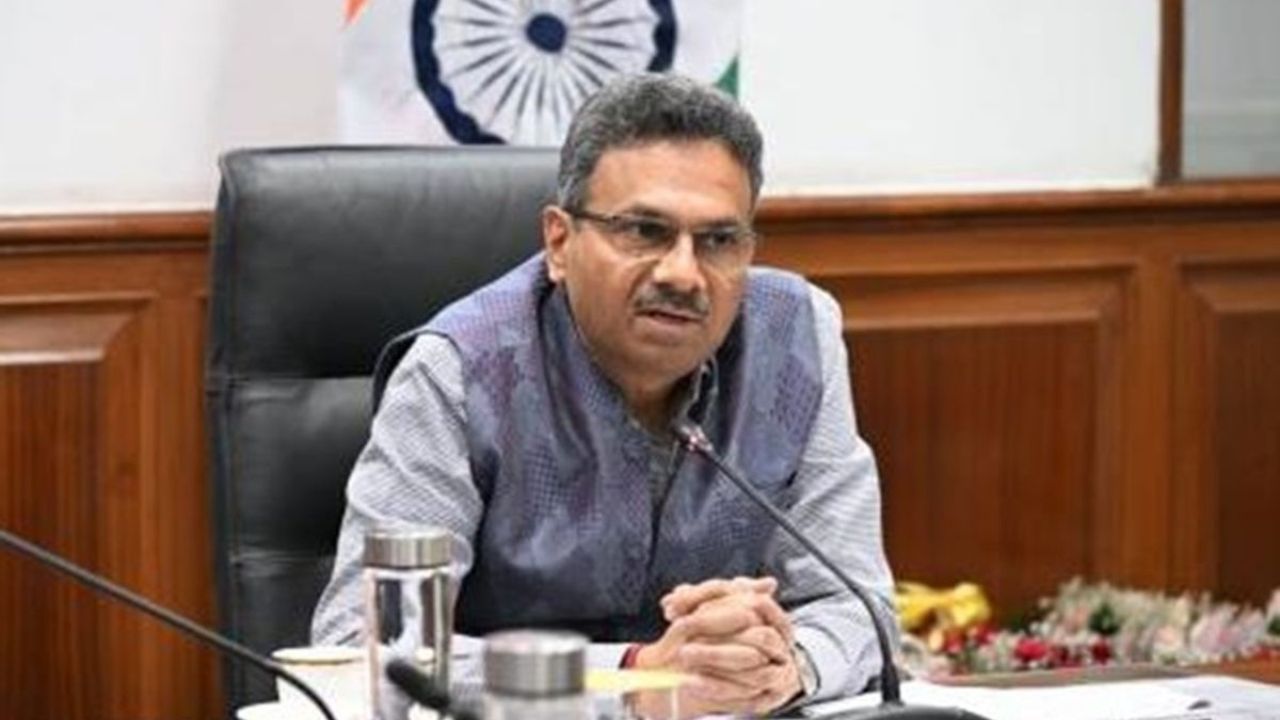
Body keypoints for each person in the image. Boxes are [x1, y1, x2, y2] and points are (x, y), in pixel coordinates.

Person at [312, 73, 896, 716]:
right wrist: (635, 677)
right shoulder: (459, 371)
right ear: (559, 243)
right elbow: (368, 651)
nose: (683, 273)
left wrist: (780, 663)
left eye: (719, 241)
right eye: (644, 231)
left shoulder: (794, 341)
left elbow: (860, 608)